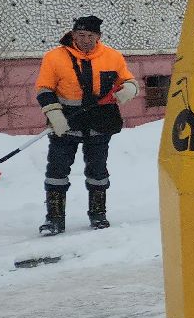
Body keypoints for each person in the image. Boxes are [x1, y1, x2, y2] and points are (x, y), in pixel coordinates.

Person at [34, 16, 137, 235]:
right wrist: (54, 114)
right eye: (81, 35)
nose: (86, 40)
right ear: (72, 35)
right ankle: (54, 219)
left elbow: (127, 80)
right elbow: (44, 89)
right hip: (66, 123)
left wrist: (130, 89)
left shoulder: (112, 57)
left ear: (99, 36)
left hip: (99, 123)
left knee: (98, 170)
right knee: (57, 170)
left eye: (91, 36)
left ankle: (98, 215)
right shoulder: (54, 58)